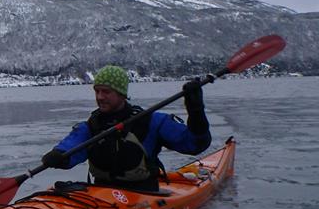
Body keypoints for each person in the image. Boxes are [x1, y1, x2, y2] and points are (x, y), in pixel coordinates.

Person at [41, 65, 212, 192]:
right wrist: (58, 156)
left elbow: (195, 144)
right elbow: (71, 147)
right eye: (97, 91)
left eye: (106, 92)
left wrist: (196, 110)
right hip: (102, 195)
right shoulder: (92, 125)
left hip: (145, 195)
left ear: (122, 93)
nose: (100, 97)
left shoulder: (151, 121)